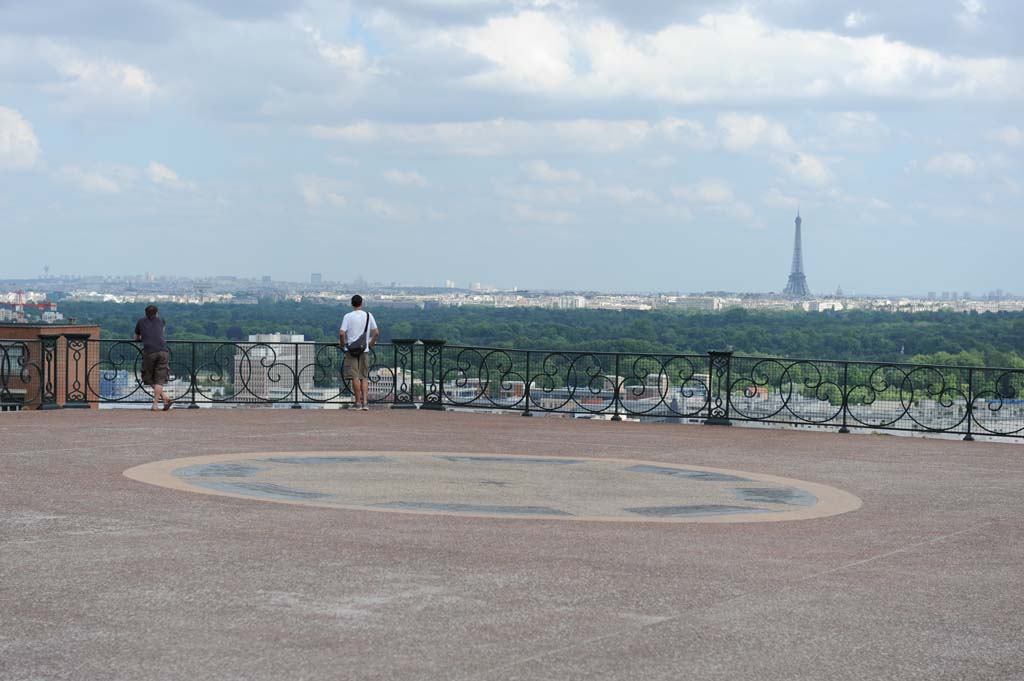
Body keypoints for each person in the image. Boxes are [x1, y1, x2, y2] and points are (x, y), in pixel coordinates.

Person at [339, 294, 379, 411]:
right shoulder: (368, 315)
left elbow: (342, 333)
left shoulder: (348, 316)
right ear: (362, 303)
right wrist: (370, 343)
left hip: (351, 350)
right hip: (364, 349)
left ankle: (357, 403)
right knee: (364, 377)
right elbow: (376, 332)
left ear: (352, 304)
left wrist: (342, 343)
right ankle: (365, 402)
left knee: (355, 376)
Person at [134, 304, 172, 411]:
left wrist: (143, 337)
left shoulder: (141, 321)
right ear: (156, 313)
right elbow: (160, 334)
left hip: (149, 351)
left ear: (145, 313)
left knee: (147, 377)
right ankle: (164, 398)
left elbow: (136, 337)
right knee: (159, 379)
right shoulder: (161, 321)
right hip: (163, 351)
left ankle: (156, 404)